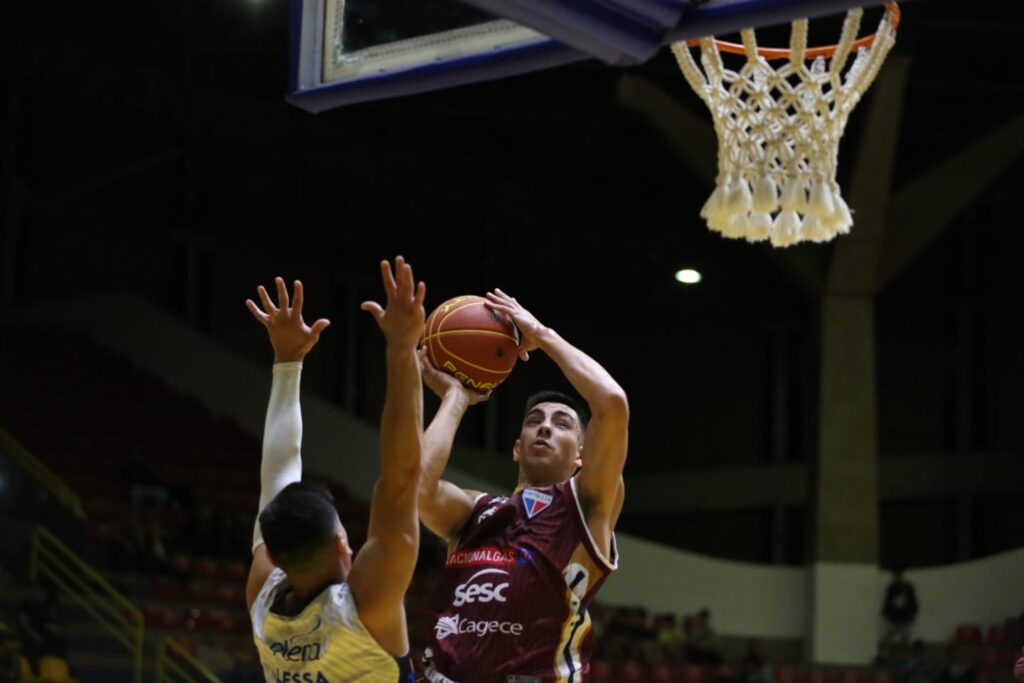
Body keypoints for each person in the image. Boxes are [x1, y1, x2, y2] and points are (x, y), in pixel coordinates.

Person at [417, 288, 629, 683]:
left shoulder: (587, 504)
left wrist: (540, 332)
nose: (545, 426)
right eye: (534, 421)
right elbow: (416, 489)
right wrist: (456, 398)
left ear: (581, 455)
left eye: (562, 424)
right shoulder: (473, 512)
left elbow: (612, 403)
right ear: (517, 448)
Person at [244, 259, 425, 683]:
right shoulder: (369, 607)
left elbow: (279, 477)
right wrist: (403, 348)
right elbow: (400, 478)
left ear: (273, 554)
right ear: (343, 543)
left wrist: (288, 361)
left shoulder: (262, 597)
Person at [882, 568, 919, 646]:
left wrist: (911, 616)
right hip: (894, 617)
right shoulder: (891, 588)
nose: (897, 577)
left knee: (905, 637)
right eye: (896, 575)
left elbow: (913, 603)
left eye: (898, 575)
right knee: (890, 636)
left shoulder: (908, 588)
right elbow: (887, 603)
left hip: (905, 617)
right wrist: (887, 615)